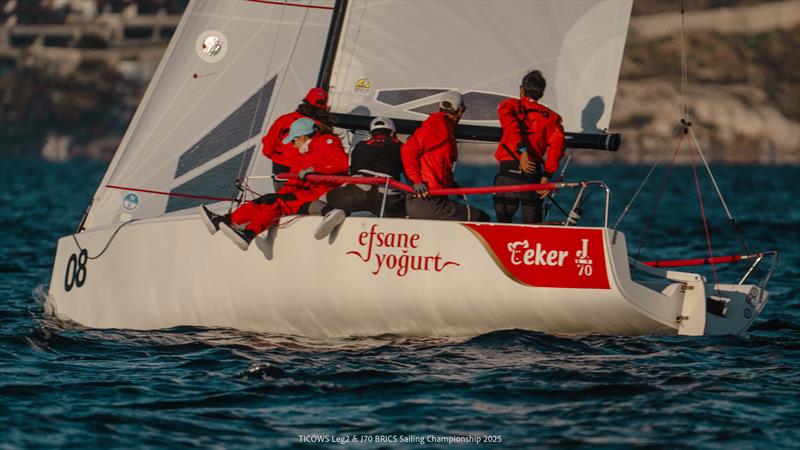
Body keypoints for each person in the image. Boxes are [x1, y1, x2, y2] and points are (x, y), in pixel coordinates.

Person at [200, 118, 348, 250]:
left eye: (293, 140)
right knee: (269, 199)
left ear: (302, 138)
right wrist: (281, 194)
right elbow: (294, 181)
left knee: (276, 203)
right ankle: (223, 221)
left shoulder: (326, 142)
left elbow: (341, 164)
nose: (291, 144)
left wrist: (314, 170)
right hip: (305, 193)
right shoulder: (304, 154)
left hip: (321, 192)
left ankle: (247, 233)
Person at [305, 116, 406, 233]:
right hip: (388, 194)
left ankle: (329, 212)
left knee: (317, 202)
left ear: (370, 133)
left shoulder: (359, 145)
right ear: (393, 133)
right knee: (409, 213)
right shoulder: (402, 147)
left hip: (357, 189)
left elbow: (351, 170)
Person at [401, 91, 490, 222]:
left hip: (433, 198)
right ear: (460, 111)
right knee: (481, 217)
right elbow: (408, 150)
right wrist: (416, 181)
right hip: (428, 200)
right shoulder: (437, 125)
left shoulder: (444, 128)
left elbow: (439, 164)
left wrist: (451, 184)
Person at [493, 70, 565, 223]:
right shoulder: (551, 118)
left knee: (503, 225)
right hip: (534, 176)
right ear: (541, 93)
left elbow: (511, 128)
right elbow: (557, 148)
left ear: (521, 90)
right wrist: (546, 176)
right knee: (533, 226)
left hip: (508, 173)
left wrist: (523, 150)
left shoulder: (509, 106)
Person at [262, 87, 334, 190]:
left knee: (284, 201)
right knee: (301, 203)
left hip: (281, 170)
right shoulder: (323, 128)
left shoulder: (284, 119)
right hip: (305, 173)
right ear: (325, 108)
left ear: (305, 102)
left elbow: (267, 147)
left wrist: (279, 158)